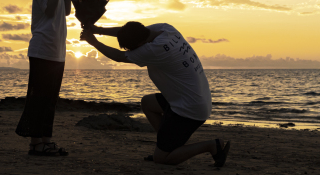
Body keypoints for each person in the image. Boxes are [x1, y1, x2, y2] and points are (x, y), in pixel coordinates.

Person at [80, 21, 230, 167]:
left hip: (189, 109)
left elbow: (119, 56)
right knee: (148, 103)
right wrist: (97, 29)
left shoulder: (154, 49)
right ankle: (166, 145)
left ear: (139, 45)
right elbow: (127, 32)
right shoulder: (165, 29)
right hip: (190, 98)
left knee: (162, 158)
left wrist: (93, 41)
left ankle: (212, 146)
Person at [15, 0, 73, 156]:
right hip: (43, 49)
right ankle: (36, 143)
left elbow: (66, 11)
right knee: (39, 98)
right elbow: (49, 11)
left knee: (50, 100)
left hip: (57, 51)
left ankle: (45, 142)